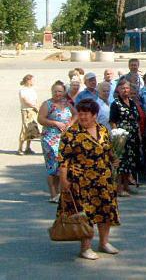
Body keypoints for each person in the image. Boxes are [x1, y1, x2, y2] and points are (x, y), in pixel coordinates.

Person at [58, 99, 120, 260]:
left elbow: (108, 150)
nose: (82, 117)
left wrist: (114, 159)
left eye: (86, 114)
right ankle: (85, 248)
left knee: (106, 210)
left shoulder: (103, 130)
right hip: (82, 180)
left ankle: (104, 243)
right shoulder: (71, 134)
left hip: (104, 179)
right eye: (80, 113)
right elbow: (63, 159)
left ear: (94, 115)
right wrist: (63, 180)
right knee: (87, 214)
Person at [38, 81, 77, 203]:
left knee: (63, 165)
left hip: (64, 138)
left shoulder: (66, 103)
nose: (57, 93)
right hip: (50, 138)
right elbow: (40, 119)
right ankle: (53, 194)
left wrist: (70, 124)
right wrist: (55, 123)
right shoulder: (47, 104)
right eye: (55, 91)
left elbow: (75, 114)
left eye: (60, 91)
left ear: (64, 92)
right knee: (53, 166)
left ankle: (61, 193)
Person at [109, 81, 141, 197]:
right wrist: (117, 136)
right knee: (121, 164)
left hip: (133, 138)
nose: (125, 90)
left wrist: (139, 135)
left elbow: (136, 119)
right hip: (121, 139)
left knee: (129, 163)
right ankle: (119, 188)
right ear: (118, 90)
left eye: (127, 88)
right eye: (122, 88)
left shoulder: (132, 102)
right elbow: (112, 121)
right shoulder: (115, 104)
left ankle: (127, 186)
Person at [18, 74, 38, 155]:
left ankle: (28, 147)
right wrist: (34, 106)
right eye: (32, 80)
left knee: (32, 128)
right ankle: (20, 148)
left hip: (33, 110)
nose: (34, 82)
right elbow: (25, 100)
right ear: (28, 81)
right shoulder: (23, 90)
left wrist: (37, 106)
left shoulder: (32, 89)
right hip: (26, 110)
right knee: (25, 129)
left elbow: (36, 99)